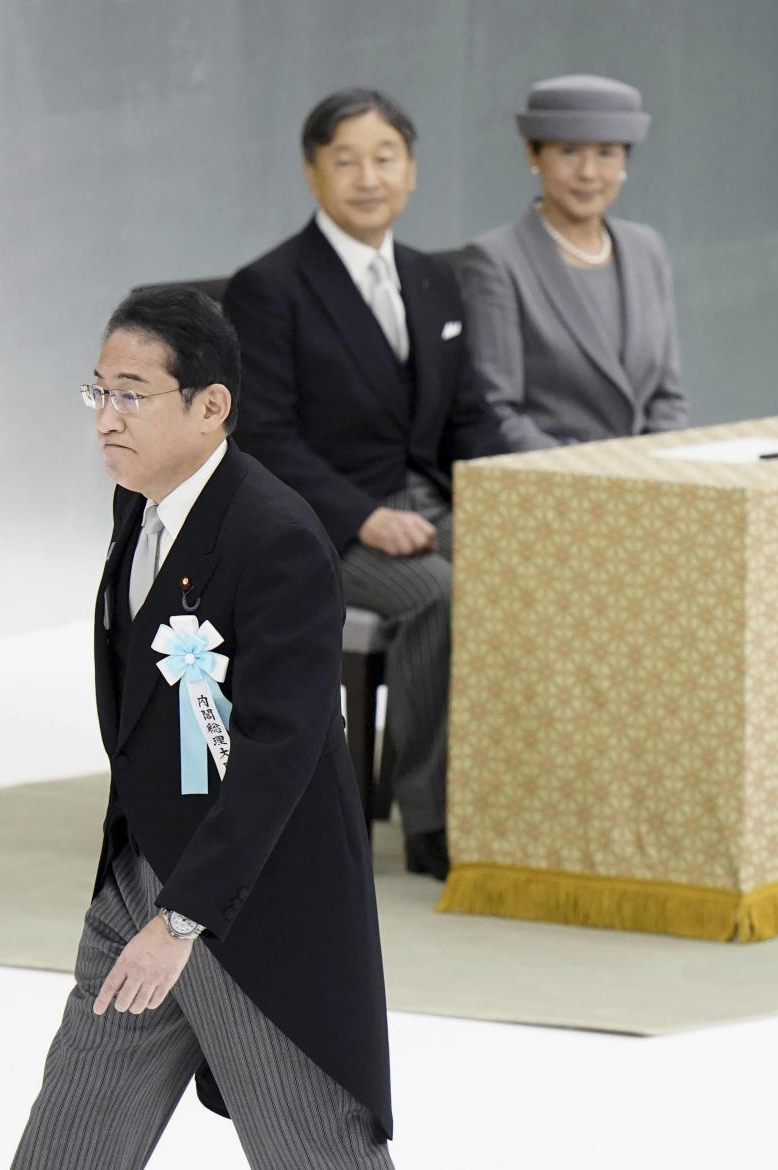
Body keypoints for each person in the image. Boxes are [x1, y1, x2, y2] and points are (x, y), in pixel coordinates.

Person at [11, 285, 393, 1169]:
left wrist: (184, 920)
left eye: (132, 394)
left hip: (251, 912)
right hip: (139, 879)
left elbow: (281, 749)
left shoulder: (278, 540)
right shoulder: (138, 506)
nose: (107, 417)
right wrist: (145, 894)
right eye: (98, 392)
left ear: (211, 406)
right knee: (68, 1147)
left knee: (316, 1152)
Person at [223, 89, 512, 881]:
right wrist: (364, 519)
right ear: (313, 174)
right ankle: (431, 822)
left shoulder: (431, 278)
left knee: (539, 572)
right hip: (315, 523)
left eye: (385, 158)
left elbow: (468, 419)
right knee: (438, 592)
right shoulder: (271, 287)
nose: (367, 177)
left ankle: (521, 807)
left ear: (411, 171)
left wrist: (522, 503)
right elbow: (262, 440)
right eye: (345, 160)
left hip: (426, 500)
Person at [458, 74, 689, 450]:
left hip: (653, 482)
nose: (588, 173)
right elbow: (497, 410)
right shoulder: (496, 260)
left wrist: (659, 467)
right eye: (568, 151)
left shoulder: (647, 248)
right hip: (556, 488)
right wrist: (587, 478)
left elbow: (668, 399)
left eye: (606, 153)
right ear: (533, 156)